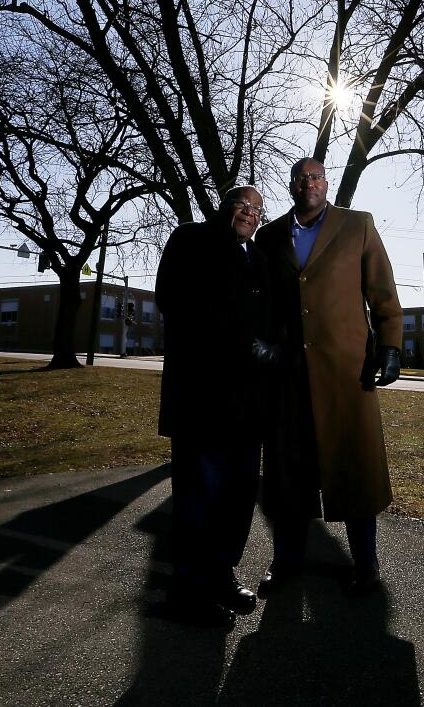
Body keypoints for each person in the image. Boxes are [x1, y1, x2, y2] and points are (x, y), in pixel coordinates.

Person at [254, 157, 403, 596]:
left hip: (347, 374)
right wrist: (262, 345)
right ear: (291, 186)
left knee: (356, 472)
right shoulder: (269, 235)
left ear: (326, 182)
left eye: (315, 177)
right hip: (289, 377)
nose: (309, 185)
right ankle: (285, 564)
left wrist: (390, 348)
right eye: (301, 179)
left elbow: (383, 292)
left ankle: (367, 567)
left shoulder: (357, 225)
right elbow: (261, 300)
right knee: (287, 478)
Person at [155, 185, 270, 626]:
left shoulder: (257, 259)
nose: (249, 213)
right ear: (223, 208)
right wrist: (241, 342)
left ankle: (221, 574)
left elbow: (268, 323)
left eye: (257, 209)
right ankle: (186, 592)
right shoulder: (191, 239)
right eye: (242, 204)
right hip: (201, 397)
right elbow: (174, 300)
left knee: (238, 497)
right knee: (198, 496)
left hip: (246, 404)